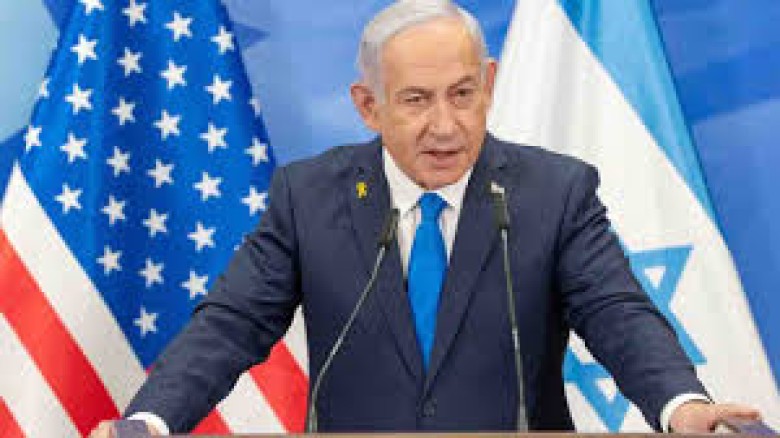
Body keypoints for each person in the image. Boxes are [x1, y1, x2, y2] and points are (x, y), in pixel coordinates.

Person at [91, 1, 760, 436]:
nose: (446, 125)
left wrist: (682, 406)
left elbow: (619, 315)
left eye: (463, 94)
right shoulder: (308, 197)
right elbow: (230, 325)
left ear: (489, 83)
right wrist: (151, 421)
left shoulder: (555, 193)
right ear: (368, 105)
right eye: (416, 100)